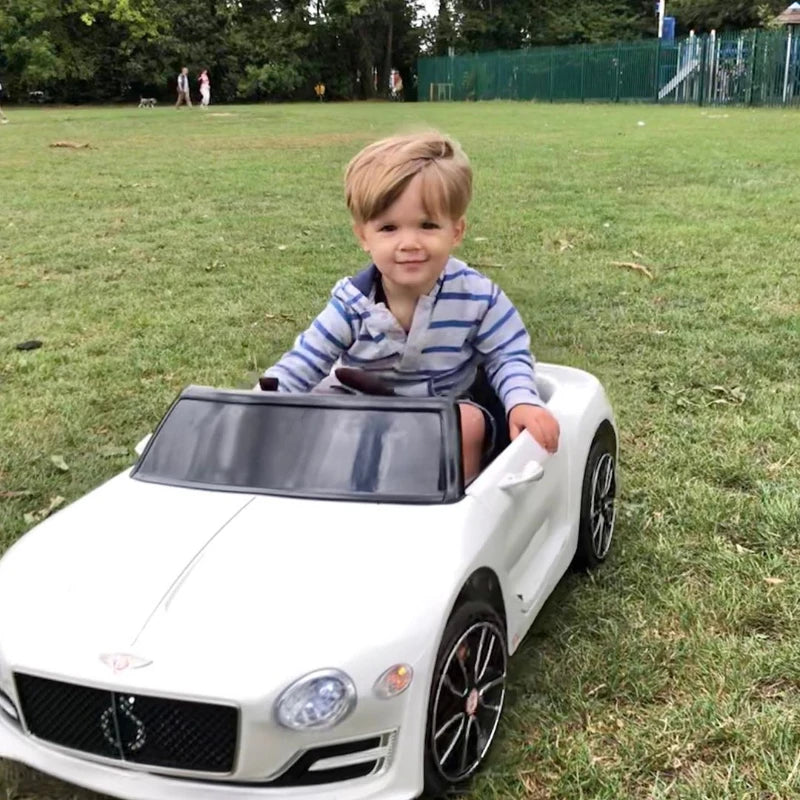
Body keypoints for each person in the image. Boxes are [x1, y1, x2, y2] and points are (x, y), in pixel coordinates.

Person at [261, 131, 560, 481]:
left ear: (456, 230)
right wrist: (259, 406)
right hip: (363, 408)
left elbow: (508, 352)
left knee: (466, 423)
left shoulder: (479, 297)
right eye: (388, 228)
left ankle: (461, 506)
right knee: (314, 409)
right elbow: (306, 359)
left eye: (427, 225)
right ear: (363, 237)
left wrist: (521, 399)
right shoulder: (351, 304)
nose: (409, 243)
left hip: (443, 409)